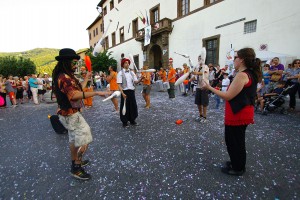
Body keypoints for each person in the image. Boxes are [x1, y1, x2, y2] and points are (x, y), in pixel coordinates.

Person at [202, 47, 262, 176]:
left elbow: (228, 96)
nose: (233, 60)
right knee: (236, 140)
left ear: (242, 60)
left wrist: (209, 87)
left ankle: (238, 167)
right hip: (240, 111)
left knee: (234, 141)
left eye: (235, 57)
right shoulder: (249, 73)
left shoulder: (242, 75)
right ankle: (236, 162)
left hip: (238, 114)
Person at [52, 48, 108, 180]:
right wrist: (96, 92)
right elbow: (74, 95)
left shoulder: (64, 75)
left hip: (68, 114)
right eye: (73, 62)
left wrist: (87, 78)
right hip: (70, 115)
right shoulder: (64, 77)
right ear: (66, 62)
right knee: (84, 137)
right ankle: (76, 166)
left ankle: (75, 162)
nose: (75, 65)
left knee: (74, 139)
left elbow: (79, 90)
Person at [117, 58, 143, 128]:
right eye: (125, 63)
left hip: (131, 91)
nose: (127, 64)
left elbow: (136, 82)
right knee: (124, 106)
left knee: (133, 106)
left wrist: (141, 79)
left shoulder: (132, 72)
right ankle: (124, 122)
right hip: (124, 92)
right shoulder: (120, 73)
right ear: (123, 64)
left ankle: (132, 120)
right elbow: (119, 84)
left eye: (128, 63)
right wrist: (122, 93)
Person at [191, 54, 209, 123]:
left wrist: (196, 73)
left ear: (203, 59)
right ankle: (200, 115)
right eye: (198, 59)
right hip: (198, 86)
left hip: (204, 86)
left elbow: (203, 73)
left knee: (204, 103)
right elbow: (196, 76)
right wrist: (192, 78)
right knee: (198, 102)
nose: (199, 60)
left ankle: (205, 117)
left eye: (200, 59)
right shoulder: (197, 67)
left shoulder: (205, 67)